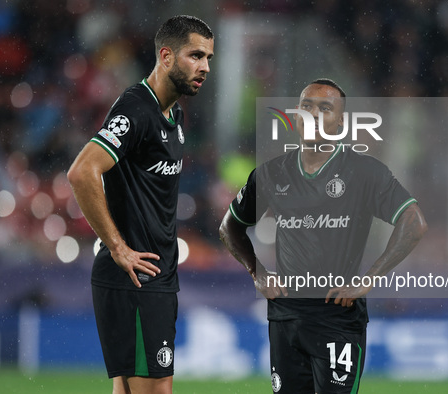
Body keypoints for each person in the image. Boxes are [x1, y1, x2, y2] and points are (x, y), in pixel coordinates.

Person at [219, 79, 427, 393]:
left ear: (341, 121)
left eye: (325, 108)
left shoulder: (365, 172)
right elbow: (229, 227)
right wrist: (257, 272)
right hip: (286, 315)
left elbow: (414, 223)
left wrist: (368, 278)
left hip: (337, 319)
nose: (313, 114)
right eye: (306, 106)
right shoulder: (271, 173)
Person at [67, 15, 213, 394]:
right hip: (134, 279)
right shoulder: (136, 109)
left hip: (156, 276)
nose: (205, 68)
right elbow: (82, 172)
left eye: (209, 58)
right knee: (154, 390)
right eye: (195, 56)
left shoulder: (175, 115)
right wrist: (118, 248)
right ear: (166, 56)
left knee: (129, 390)